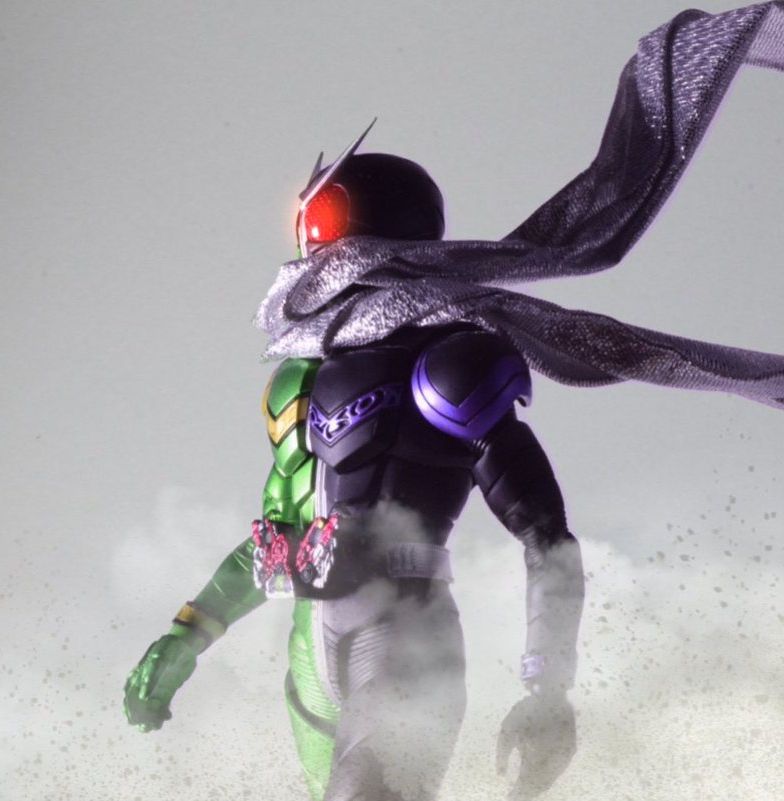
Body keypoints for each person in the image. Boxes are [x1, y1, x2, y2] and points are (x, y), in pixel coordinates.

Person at [124, 143, 586, 801]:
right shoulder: (299, 383)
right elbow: (276, 539)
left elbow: (546, 538)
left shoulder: (451, 369)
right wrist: (188, 633)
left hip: (404, 644)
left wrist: (548, 688)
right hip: (311, 656)